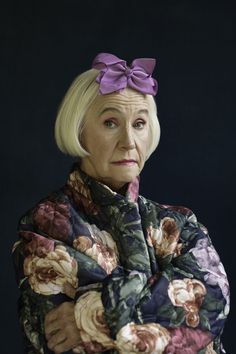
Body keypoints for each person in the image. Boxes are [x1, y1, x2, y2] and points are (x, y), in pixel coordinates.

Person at [12, 52, 229, 354]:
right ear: (80, 130)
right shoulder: (45, 225)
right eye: (111, 122)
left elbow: (214, 303)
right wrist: (170, 300)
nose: (129, 141)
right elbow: (61, 342)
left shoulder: (180, 224)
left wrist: (92, 319)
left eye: (139, 123)